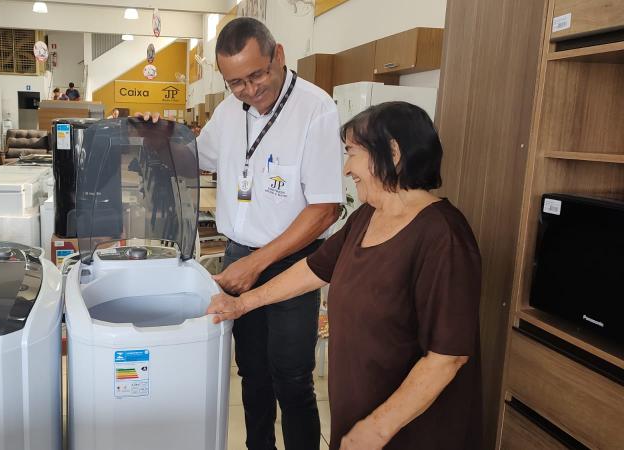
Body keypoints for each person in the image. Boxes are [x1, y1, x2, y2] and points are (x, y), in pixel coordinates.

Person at [208, 101, 483, 450]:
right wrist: (243, 304)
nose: (346, 168)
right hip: (362, 416)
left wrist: (378, 429)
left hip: (408, 430)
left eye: (352, 153)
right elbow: (314, 269)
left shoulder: (444, 235)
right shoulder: (367, 217)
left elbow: (448, 356)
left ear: (393, 152)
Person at [142, 17, 343, 450]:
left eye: (257, 75)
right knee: (251, 374)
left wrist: (259, 261)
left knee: (291, 379)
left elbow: (326, 208)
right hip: (237, 255)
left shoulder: (316, 108)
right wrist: (162, 140)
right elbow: (198, 157)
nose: (250, 91)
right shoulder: (229, 110)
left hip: (292, 263)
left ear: (279, 56)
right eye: (236, 83)